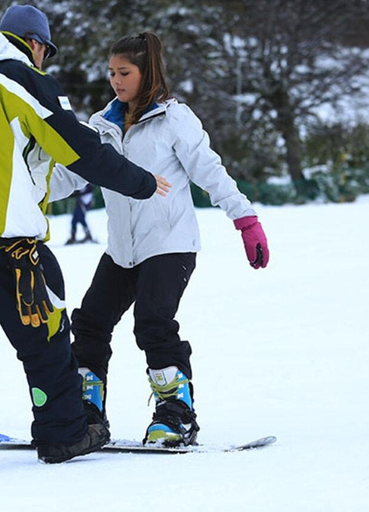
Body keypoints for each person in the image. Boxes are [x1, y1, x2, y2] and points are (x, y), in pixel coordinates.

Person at [0, 6, 171, 476]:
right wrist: (141, 182)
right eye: (45, 51)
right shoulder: (22, 81)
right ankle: (65, 433)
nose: (44, 61)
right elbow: (79, 148)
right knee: (47, 338)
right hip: (7, 240)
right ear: (33, 43)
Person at [49, 32, 269, 447]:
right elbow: (70, 176)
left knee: (153, 323)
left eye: (125, 72)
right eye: (111, 72)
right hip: (122, 249)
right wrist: (21, 190)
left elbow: (209, 171)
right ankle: (86, 412)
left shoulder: (174, 119)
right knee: (90, 323)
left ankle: (176, 414)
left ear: (146, 72)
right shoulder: (102, 125)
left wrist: (245, 219)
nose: (116, 80)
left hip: (169, 244)